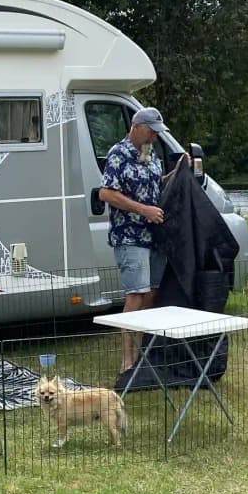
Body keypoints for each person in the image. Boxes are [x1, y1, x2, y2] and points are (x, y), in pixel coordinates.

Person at [99, 106, 168, 376]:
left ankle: (143, 354)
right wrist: (143, 210)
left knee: (152, 292)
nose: (154, 136)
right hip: (130, 236)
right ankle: (127, 361)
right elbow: (106, 193)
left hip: (154, 236)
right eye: (151, 131)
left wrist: (178, 174)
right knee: (136, 294)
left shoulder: (152, 156)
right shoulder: (119, 155)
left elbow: (156, 186)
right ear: (137, 127)